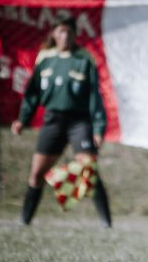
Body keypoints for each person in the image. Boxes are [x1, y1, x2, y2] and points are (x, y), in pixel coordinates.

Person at [11, 13, 112, 227]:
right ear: (54, 34)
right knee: (36, 173)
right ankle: (25, 221)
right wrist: (23, 119)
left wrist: (98, 129)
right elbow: (32, 93)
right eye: (60, 31)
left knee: (89, 169)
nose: (64, 35)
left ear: (75, 34)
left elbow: (96, 96)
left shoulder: (84, 61)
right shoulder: (45, 60)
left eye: (69, 31)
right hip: (52, 121)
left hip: (79, 122)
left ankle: (106, 223)